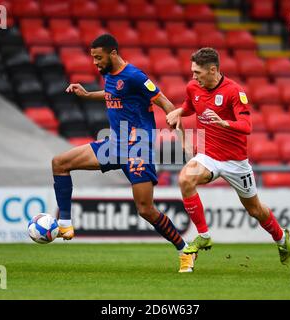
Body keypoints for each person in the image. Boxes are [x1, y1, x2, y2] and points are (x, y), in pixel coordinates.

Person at [52, 34, 196, 272]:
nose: (95, 63)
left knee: (146, 210)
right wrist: (88, 95)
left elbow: (167, 105)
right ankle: (65, 224)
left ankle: (185, 250)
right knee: (60, 163)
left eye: (99, 58)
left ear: (113, 54)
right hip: (115, 144)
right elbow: (113, 94)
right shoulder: (109, 74)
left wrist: (183, 142)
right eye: (93, 58)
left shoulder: (135, 76)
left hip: (138, 147)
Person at [166, 47, 290, 265]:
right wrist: (180, 111)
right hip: (208, 155)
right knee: (185, 178)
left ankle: (281, 238)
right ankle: (204, 236)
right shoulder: (193, 87)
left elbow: (247, 125)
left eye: (197, 72)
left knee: (255, 210)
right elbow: (191, 105)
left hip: (236, 162)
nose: (193, 76)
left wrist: (225, 123)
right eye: (193, 72)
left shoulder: (234, 91)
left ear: (213, 70)